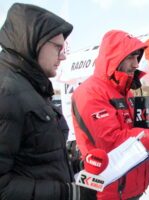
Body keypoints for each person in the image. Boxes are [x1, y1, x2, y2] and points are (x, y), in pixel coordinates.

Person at [71, 30, 149, 200]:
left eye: (137, 57)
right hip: (104, 191)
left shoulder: (126, 93)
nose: (135, 64)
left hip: (130, 188)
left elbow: (136, 131)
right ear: (114, 58)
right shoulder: (90, 92)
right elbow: (112, 141)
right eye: (130, 57)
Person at [0, 3, 92, 200]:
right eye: (57, 47)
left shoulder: (31, 87)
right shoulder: (7, 92)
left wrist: (77, 165)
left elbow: (36, 160)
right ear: (33, 42)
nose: (64, 55)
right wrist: (67, 193)